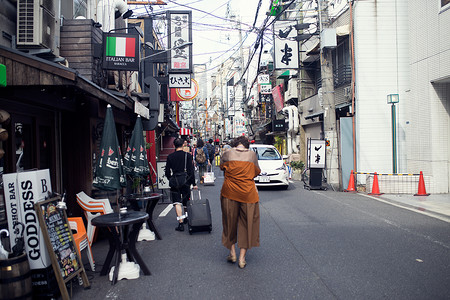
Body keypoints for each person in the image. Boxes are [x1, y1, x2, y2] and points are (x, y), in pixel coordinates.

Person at [219, 136, 261, 269]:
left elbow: (222, 168)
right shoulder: (252, 155)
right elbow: (256, 172)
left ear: (235, 144)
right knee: (247, 224)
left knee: (229, 222)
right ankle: (242, 259)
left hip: (229, 192)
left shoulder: (227, 154)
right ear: (247, 145)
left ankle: (232, 253)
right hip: (248, 194)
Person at [165, 138, 198, 232]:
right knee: (186, 201)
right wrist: (194, 183)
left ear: (173, 146)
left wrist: (170, 178)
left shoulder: (170, 156)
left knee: (177, 202)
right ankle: (187, 218)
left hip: (175, 181)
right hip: (185, 181)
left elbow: (167, 171)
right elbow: (191, 170)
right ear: (183, 145)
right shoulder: (187, 156)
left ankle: (180, 223)